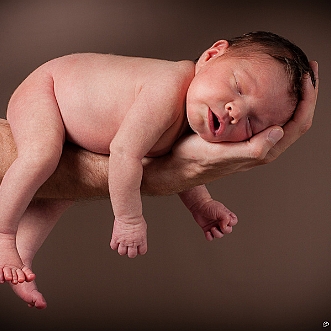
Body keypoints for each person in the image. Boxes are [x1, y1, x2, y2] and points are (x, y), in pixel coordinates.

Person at [0, 32, 317, 298]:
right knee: (41, 156)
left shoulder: (189, 119)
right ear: (211, 55)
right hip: (48, 90)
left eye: (252, 122)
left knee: (64, 191)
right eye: (238, 86)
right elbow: (124, 153)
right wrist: (129, 219)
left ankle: (20, 265)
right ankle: (3, 234)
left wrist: (201, 205)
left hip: (73, 125)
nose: (236, 111)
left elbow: (177, 164)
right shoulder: (169, 86)